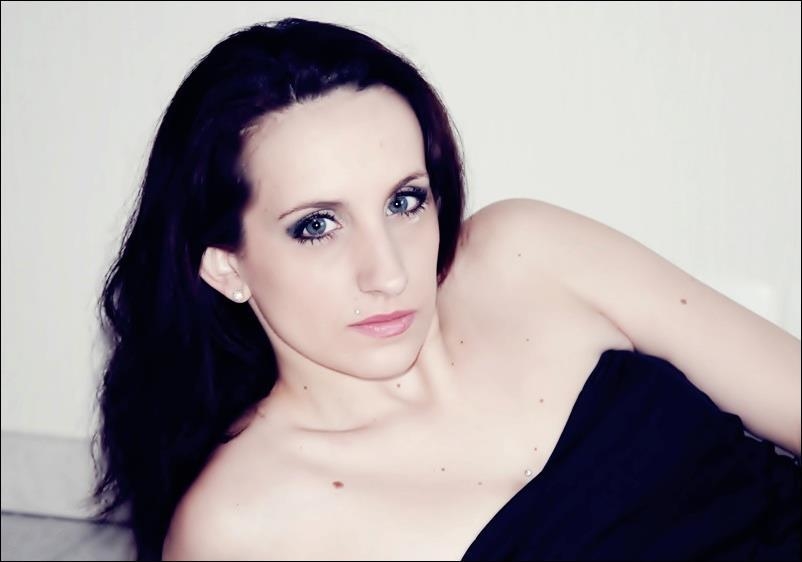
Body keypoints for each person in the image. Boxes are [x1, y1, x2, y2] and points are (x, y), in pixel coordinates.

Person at [91, 17, 801, 561]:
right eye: (316, 226)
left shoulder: (525, 253)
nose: (389, 273)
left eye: (404, 202)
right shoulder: (240, 526)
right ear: (226, 266)